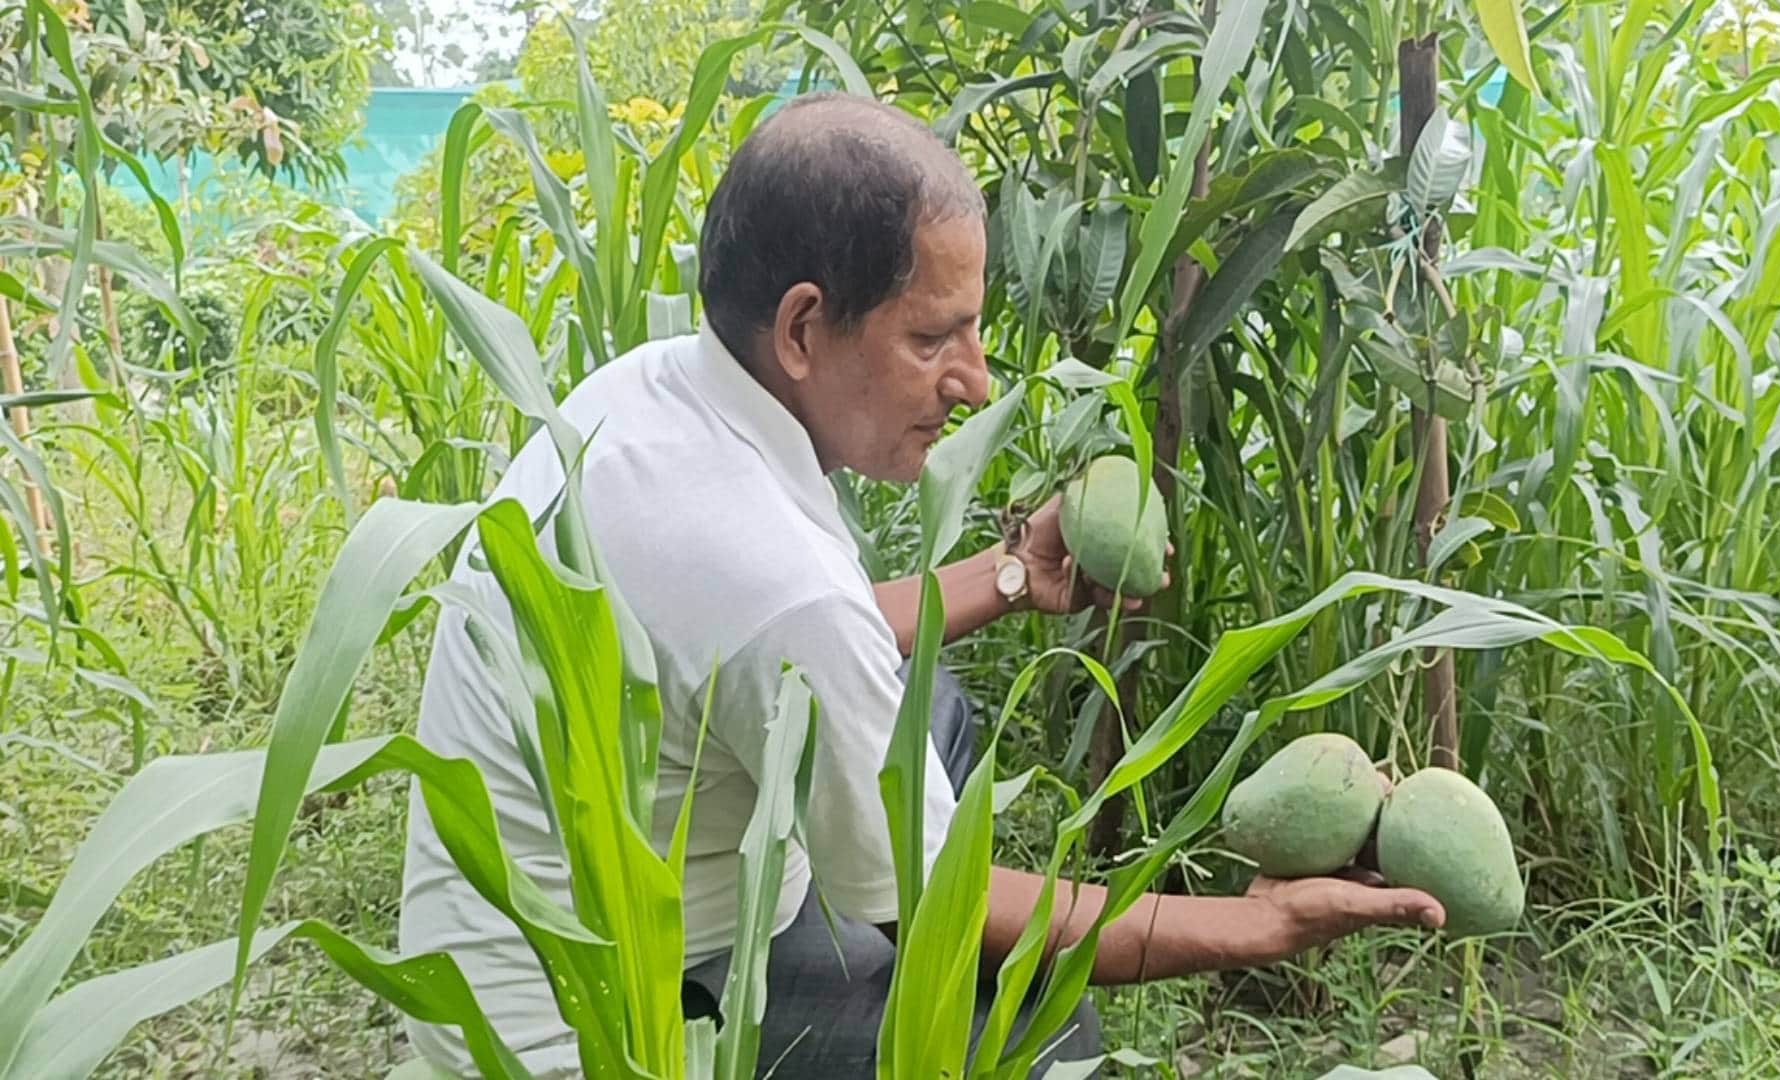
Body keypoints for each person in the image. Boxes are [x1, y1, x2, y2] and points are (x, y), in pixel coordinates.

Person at [397, 91, 1445, 1079]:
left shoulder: (655, 388)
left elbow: (801, 640)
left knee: (930, 707)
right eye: (933, 336)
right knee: (1033, 1010)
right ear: (805, 329)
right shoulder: (768, 569)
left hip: (560, 925)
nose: (976, 379)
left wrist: (1009, 576)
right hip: (596, 1024)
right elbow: (946, 900)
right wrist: (1262, 925)